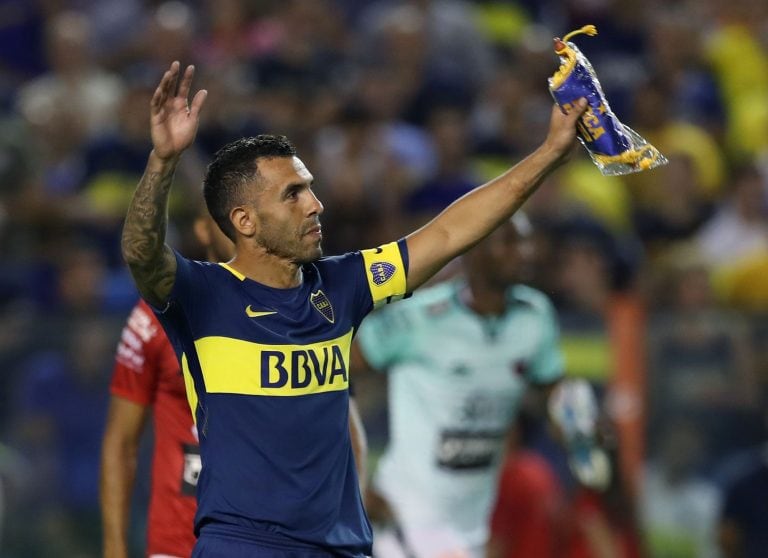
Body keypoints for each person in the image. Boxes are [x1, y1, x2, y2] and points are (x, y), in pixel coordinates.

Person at [119, 60, 587, 557]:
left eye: (310, 188)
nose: (315, 204)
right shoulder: (203, 295)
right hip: (244, 545)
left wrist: (550, 153)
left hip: (341, 547)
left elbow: (451, 232)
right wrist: (163, 162)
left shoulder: (343, 284)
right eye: (293, 194)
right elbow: (140, 254)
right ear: (245, 221)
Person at [100, 206, 370, 558]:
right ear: (202, 229)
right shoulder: (152, 319)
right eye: (225, 217)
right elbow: (121, 442)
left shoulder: (304, 311)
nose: (242, 228)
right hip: (176, 543)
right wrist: (115, 549)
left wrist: (345, 531)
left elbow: (348, 433)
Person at [354, 214, 601, 558]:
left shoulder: (535, 316)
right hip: (403, 517)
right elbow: (332, 375)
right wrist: (351, 479)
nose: (525, 253)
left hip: (472, 527)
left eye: (527, 242)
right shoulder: (418, 319)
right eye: (510, 242)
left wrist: (574, 425)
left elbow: (553, 391)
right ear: (473, 249)